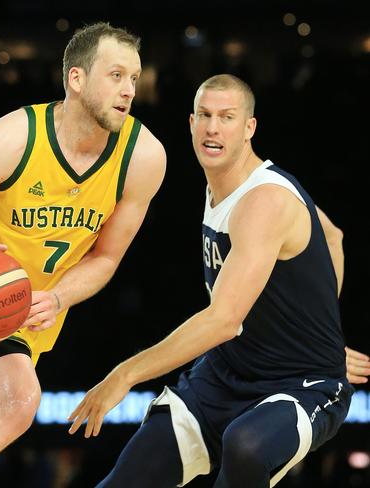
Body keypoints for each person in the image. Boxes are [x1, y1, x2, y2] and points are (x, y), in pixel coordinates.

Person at [0, 22, 166, 488]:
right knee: (17, 403)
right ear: (76, 79)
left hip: (26, 322)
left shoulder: (143, 156)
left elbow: (105, 259)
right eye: (116, 75)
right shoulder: (12, 138)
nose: (129, 89)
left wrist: (59, 297)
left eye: (134, 77)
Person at [68, 74, 370, 487]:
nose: (213, 127)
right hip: (225, 373)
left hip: (299, 384)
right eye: (205, 116)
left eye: (227, 117)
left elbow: (224, 319)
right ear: (191, 124)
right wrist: (326, 329)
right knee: (131, 473)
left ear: (249, 128)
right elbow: (331, 237)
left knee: (245, 446)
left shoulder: (265, 200)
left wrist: (123, 375)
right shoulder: (222, 185)